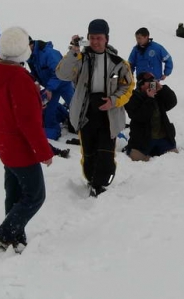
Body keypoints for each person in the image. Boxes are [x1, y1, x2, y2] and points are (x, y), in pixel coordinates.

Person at [0, 27, 54, 253]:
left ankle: (16, 234)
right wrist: (44, 152)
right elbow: (28, 123)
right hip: (20, 148)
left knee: (14, 191)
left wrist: (35, 100)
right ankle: (5, 233)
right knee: (35, 195)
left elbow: (4, 109)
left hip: (4, 143)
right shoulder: (19, 79)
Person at [56, 19, 135, 197]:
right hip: (85, 112)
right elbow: (62, 74)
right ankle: (92, 180)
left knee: (106, 153)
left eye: (99, 38)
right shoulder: (80, 59)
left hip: (109, 113)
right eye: (92, 38)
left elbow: (128, 86)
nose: (95, 42)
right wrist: (73, 52)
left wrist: (113, 101)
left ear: (106, 38)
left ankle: (101, 185)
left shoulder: (118, 63)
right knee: (89, 154)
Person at [28, 37, 74, 140]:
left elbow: (59, 72)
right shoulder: (30, 56)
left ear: (30, 44)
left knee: (77, 108)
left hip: (63, 83)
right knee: (48, 114)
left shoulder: (48, 53)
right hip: (51, 87)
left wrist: (49, 89)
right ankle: (56, 128)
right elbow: (36, 73)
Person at [124, 72, 178, 161]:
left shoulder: (158, 94)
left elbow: (172, 102)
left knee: (173, 158)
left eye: (153, 81)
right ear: (141, 85)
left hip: (163, 138)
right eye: (149, 82)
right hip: (143, 139)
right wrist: (150, 99)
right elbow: (140, 116)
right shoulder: (132, 97)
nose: (152, 84)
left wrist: (162, 88)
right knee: (137, 159)